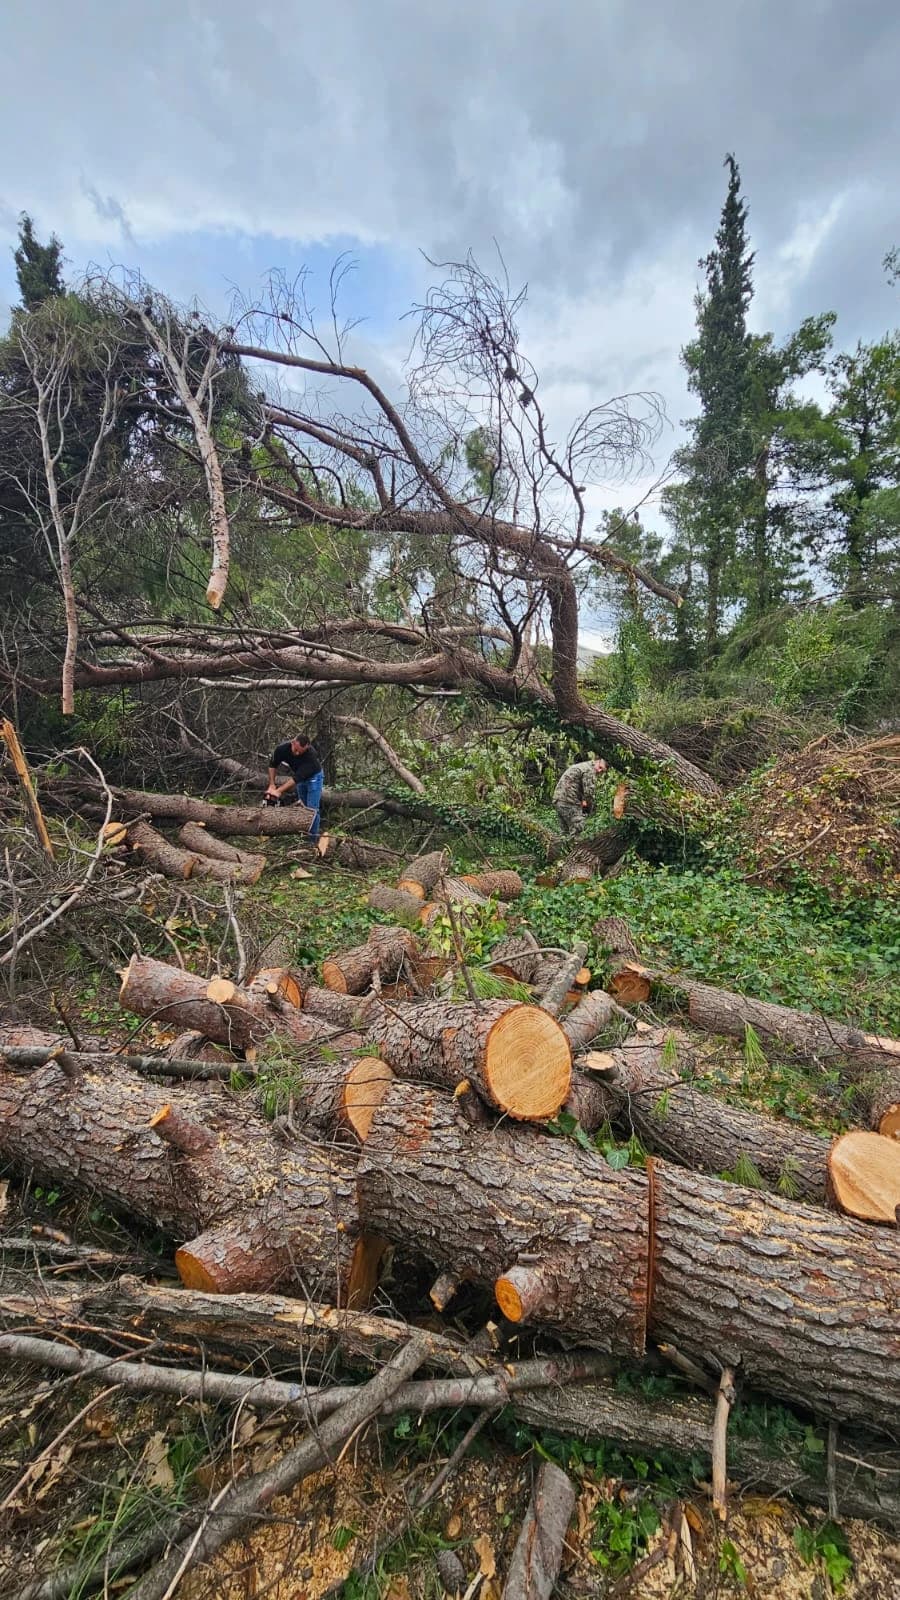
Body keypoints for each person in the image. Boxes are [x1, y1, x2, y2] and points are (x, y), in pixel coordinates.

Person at [266, 733, 324, 843]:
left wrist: (278, 791)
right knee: (304, 806)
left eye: (300, 751)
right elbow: (272, 765)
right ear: (292, 742)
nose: (297, 753)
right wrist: (272, 785)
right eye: (296, 750)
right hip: (300, 776)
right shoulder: (282, 749)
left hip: (314, 777)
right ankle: (307, 833)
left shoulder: (311, 756)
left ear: (307, 747)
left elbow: (296, 779)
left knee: (312, 809)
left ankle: (312, 842)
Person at [553, 757, 608, 837]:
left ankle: (564, 848)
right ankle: (576, 848)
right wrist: (589, 810)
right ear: (597, 761)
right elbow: (589, 794)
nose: (599, 771)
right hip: (569, 801)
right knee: (579, 832)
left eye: (602, 771)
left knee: (564, 834)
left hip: (559, 800)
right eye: (600, 768)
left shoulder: (582, 766)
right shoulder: (589, 770)